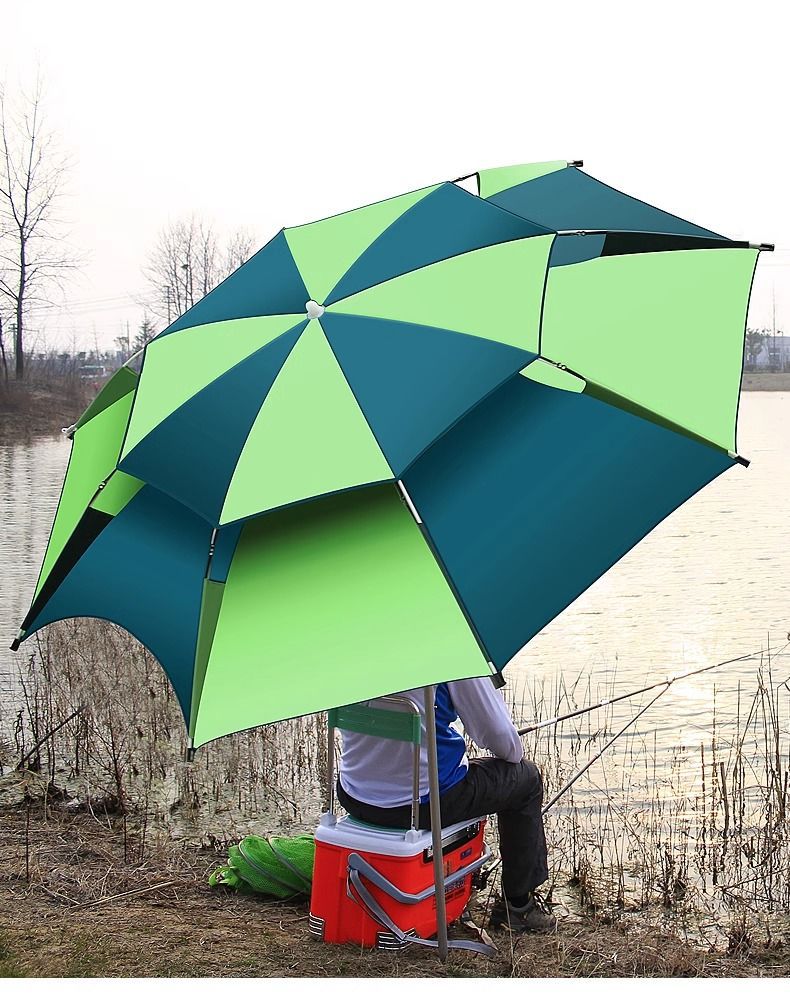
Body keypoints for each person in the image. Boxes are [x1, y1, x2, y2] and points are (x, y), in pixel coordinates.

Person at [336, 676, 556, 933]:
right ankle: (518, 906)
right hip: (422, 804)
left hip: (355, 795)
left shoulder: (347, 658)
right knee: (526, 779)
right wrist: (511, 747)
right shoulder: (454, 661)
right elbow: (502, 740)